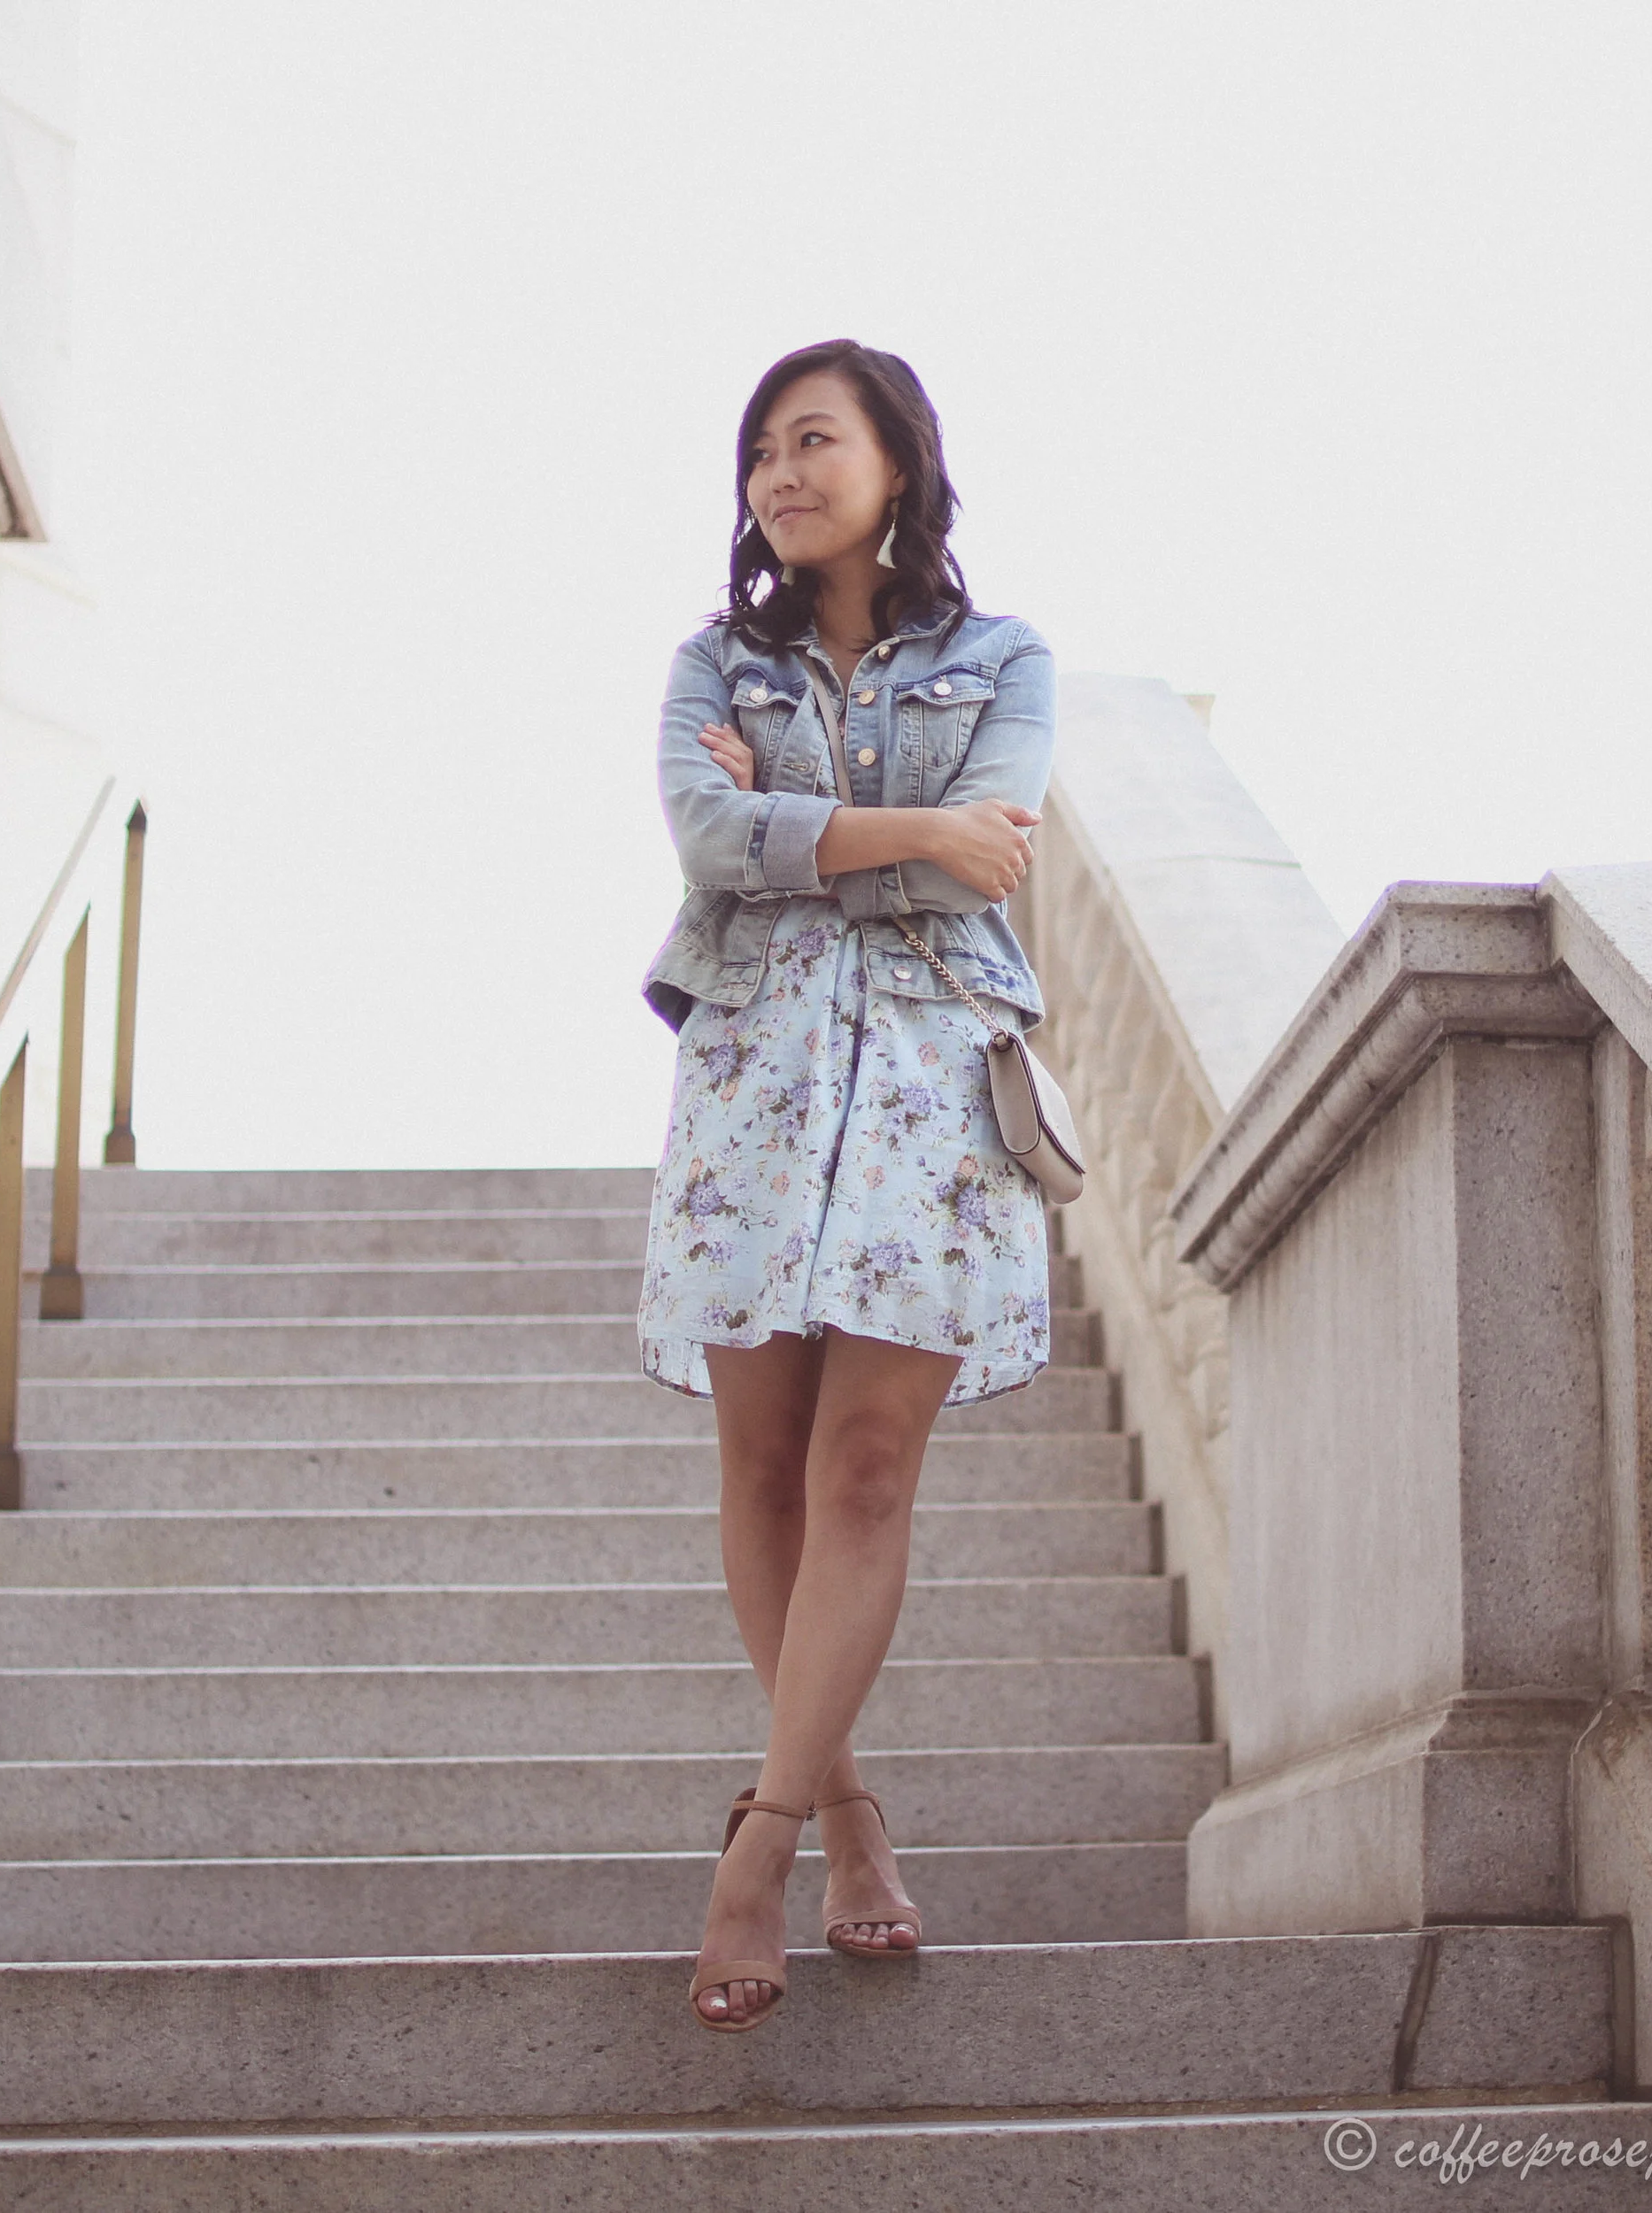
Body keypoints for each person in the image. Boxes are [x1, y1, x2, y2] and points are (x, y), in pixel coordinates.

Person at [639, 338, 1056, 2032]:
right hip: (754, 1076)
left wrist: (802, 829)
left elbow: (991, 854)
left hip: (932, 1081)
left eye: (813, 440)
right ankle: (852, 1816)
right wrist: (909, 832)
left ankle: (758, 1848)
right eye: (760, 452)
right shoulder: (711, 664)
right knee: (765, 1466)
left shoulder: (1004, 659)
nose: (780, 476)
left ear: (898, 463)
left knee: (867, 1465)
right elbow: (706, 843)